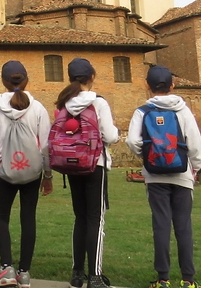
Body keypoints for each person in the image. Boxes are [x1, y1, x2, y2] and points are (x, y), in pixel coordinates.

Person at [126, 66, 201, 288]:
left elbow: (132, 141)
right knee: (183, 227)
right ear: (172, 85)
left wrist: (148, 155)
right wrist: (195, 168)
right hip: (183, 175)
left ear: (146, 85)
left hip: (155, 176)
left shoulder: (142, 111)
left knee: (161, 225)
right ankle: (188, 279)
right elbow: (196, 145)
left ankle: (163, 278)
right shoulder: (184, 111)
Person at [0, 61, 53, 288]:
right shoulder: (38, 108)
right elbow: (46, 145)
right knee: (27, 218)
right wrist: (48, 174)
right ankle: (24, 273)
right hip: (32, 171)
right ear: (27, 79)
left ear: (3, 81)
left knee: (1, 216)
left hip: (5, 171)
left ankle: (6, 268)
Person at [55, 58, 119, 288]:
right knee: (96, 219)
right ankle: (95, 276)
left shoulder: (64, 103)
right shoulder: (98, 102)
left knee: (80, 218)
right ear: (91, 77)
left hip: (71, 165)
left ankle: (77, 273)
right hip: (95, 165)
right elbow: (110, 136)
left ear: (70, 78)